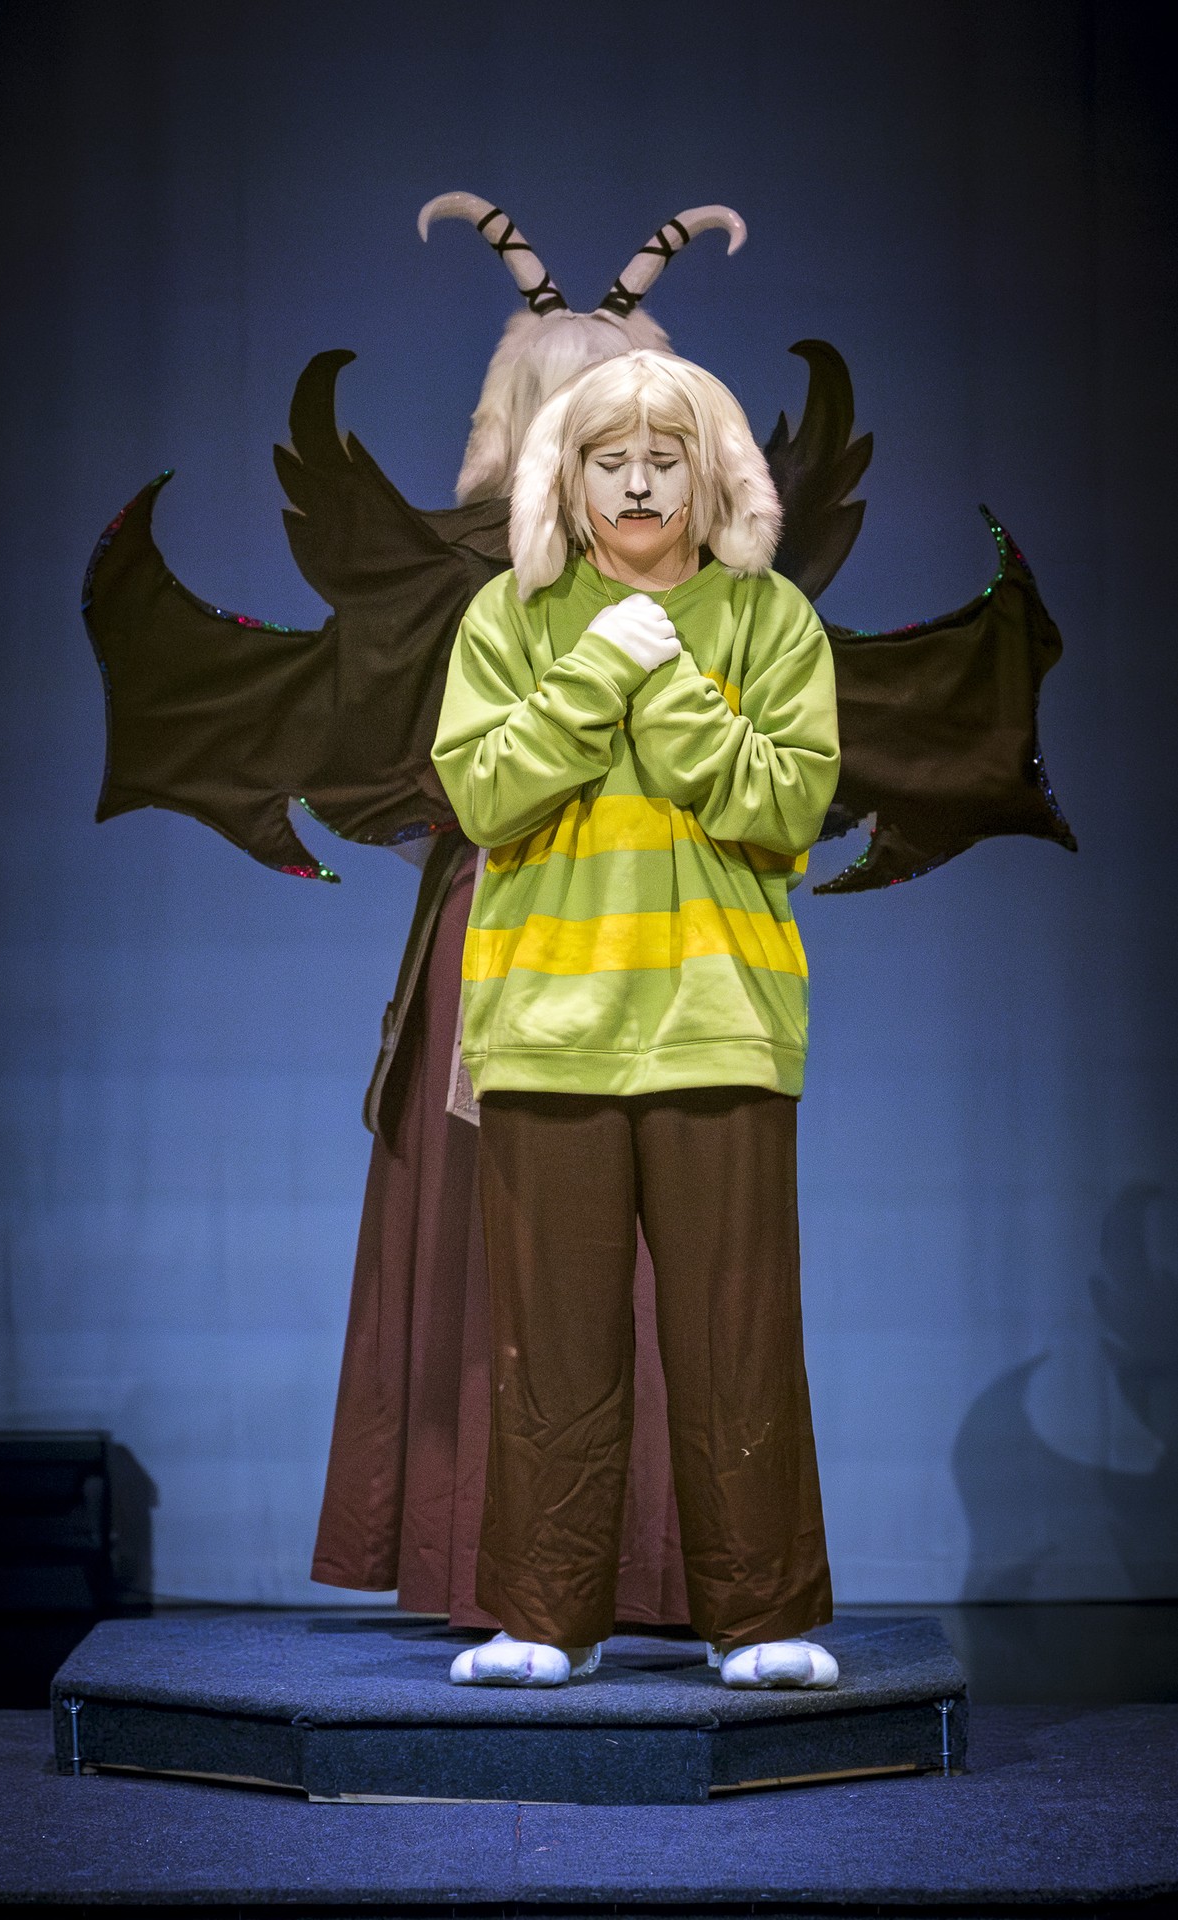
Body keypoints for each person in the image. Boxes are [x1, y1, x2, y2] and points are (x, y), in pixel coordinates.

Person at [430, 350, 842, 1689]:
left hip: (721, 1023)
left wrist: (661, 684)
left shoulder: (769, 619)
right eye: (611, 461)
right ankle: (546, 1618)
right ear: (568, 477)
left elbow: (788, 803)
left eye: (666, 459)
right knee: (550, 1346)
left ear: (712, 476)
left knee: (737, 1338)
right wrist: (597, 664)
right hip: (549, 1028)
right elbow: (483, 794)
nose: (640, 484)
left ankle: (760, 1617)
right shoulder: (510, 616)